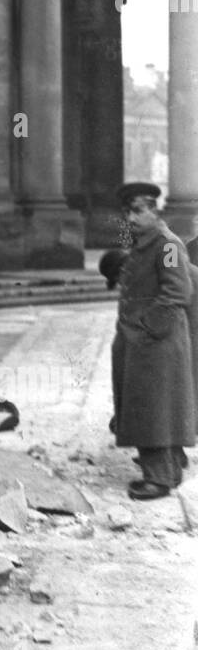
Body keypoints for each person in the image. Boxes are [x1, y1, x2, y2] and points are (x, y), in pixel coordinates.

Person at [111, 181, 196, 500]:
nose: (131, 219)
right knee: (149, 408)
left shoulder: (168, 244)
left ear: (153, 210)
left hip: (156, 343)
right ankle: (168, 471)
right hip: (143, 342)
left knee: (156, 410)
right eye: (127, 212)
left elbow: (178, 292)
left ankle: (160, 478)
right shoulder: (146, 242)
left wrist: (147, 328)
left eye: (137, 211)